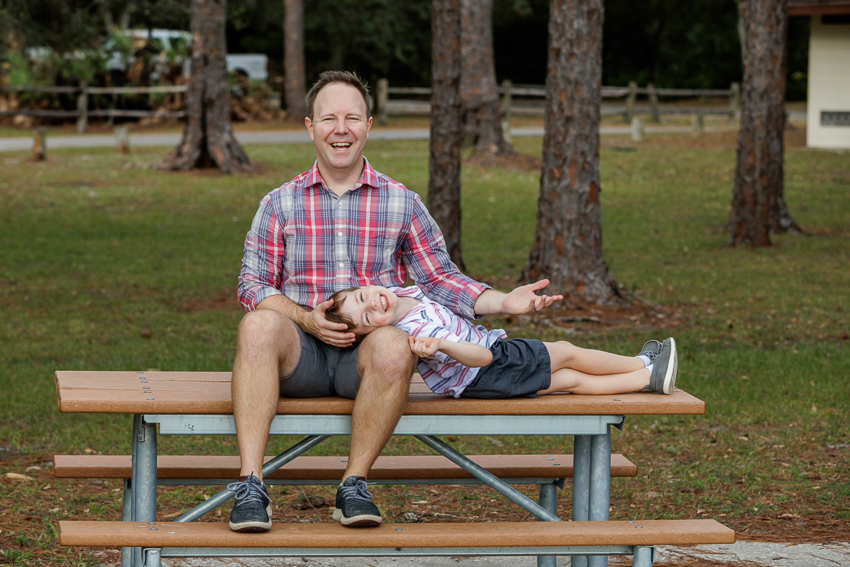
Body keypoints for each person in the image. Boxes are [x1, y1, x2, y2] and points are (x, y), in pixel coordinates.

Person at [229, 70, 560, 532]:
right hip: (297, 354)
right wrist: (305, 317)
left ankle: (354, 485)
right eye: (329, 119)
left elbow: (441, 279)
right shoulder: (279, 203)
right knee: (256, 325)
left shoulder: (401, 202)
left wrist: (507, 301)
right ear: (310, 127)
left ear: (368, 125)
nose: (340, 129)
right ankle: (250, 485)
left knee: (394, 342)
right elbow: (253, 284)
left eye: (352, 118)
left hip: (366, 358)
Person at [326, 284, 678, 399]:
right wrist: (442, 347)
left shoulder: (406, 292)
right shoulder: (415, 331)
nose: (373, 304)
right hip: (490, 365)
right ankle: (643, 365)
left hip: (484, 377)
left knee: (568, 379)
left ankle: (645, 380)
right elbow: (479, 357)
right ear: (373, 333)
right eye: (369, 318)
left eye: (362, 297)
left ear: (365, 283)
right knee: (566, 353)